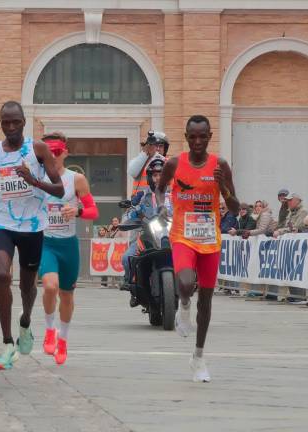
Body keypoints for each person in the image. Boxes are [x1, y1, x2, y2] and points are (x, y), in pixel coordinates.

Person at [0, 101, 65, 371]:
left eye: (16, 122)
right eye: (6, 122)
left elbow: (59, 189)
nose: (11, 127)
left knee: (27, 287)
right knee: (2, 274)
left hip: (32, 227)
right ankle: (7, 343)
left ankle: (25, 322)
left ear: (24, 122)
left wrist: (33, 180)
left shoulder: (38, 150)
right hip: (2, 223)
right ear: (0, 123)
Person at [156, 115, 239, 383]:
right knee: (185, 281)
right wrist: (161, 205)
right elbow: (159, 189)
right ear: (187, 136)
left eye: (203, 136)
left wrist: (223, 186)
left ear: (210, 136)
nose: (198, 141)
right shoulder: (174, 163)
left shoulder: (220, 165)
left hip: (210, 239)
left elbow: (236, 208)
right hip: (182, 235)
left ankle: (198, 356)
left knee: (206, 300)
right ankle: (182, 305)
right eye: (193, 136)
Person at [39, 136, 98, 365]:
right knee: (50, 286)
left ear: (65, 153)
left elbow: (93, 211)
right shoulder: (37, 178)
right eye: (48, 151)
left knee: (67, 294)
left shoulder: (76, 179)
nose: (53, 155)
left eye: (57, 151)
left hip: (68, 244)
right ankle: (49, 329)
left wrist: (77, 212)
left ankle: (63, 339)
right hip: (46, 242)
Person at [121, 157, 172, 305]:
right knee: (126, 258)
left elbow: (185, 211)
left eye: (161, 174)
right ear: (151, 177)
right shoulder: (142, 195)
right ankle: (133, 288)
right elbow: (131, 212)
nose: (158, 178)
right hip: (146, 236)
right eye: (155, 175)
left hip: (171, 236)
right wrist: (130, 217)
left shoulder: (175, 196)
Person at [128, 131, 169, 199]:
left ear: (165, 149)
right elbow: (132, 172)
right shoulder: (141, 162)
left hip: (164, 204)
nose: (158, 149)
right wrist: (145, 154)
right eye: (155, 146)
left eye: (161, 146)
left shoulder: (170, 163)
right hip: (141, 205)